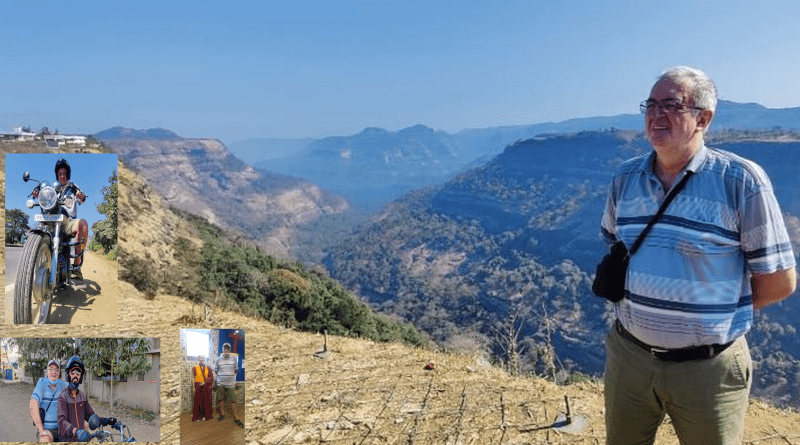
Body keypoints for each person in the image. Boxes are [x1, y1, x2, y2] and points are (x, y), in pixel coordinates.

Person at [599, 66, 797, 444]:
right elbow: (615, 243)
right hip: (630, 358)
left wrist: (713, 313)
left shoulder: (741, 181)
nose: (657, 114)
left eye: (671, 105)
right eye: (651, 104)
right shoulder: (624, 179)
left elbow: (779, 282)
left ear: (703, 118)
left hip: (707, 370)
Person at [32, 158, 87, 280]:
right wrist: (36, 193)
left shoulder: (72, 187)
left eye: (64, 173)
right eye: (60, 173)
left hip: (68, 222)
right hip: (52, 221)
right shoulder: (52, 189)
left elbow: (82, 199)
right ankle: (32, 265)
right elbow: (42, 196)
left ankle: (77, 265)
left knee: (82, 224)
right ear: (57, 175)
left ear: (67, 174)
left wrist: (80, 196)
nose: (62, 175)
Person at [57, 356, 118, 442]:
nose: (75, 375)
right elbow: (61, 422)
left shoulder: (82, 396)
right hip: (67, 440)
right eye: (73, 372)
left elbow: (91, 417)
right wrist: (76, 431)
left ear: (80, 377)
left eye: (78, 373)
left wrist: (108, 421)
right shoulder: (62, 397)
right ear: (68, 374)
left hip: (82, 439)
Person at [30, 359, 69, 442]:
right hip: (47, 429)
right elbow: (33, 403)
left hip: (61, 429)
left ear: (59, 373)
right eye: (51, 368)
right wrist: (41, 430)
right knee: (45, 439)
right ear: (47, 372)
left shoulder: (63, 385)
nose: (53, 372)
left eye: (56, 369)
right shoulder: (42, 383)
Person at [214, 343, 244, 428]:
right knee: (221, 399)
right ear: (222, 349)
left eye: (228, 348)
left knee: (233, 400)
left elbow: (236, 370)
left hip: (231, 385)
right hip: (221, 384)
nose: (226, 350)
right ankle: (222, 414)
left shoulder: (234, 358)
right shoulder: (218, 359)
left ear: (230, 350)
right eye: (224, 348)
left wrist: (230, 378)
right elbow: (216, 371)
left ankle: (236, 418)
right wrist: (222, 377)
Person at [192, 355, 214, 421]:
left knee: (206, 401)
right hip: (198, 387)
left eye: (203, 358)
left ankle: (206, 415)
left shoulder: (208, 368)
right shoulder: (195, 367)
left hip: (206, 387)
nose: (202, 359)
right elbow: (193, 378)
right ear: (198, 359)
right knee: (198, 401)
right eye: (201, 358)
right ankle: (198, 416)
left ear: (205, 359)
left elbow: (211, 377)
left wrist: (205, 382)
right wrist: (193, 387)